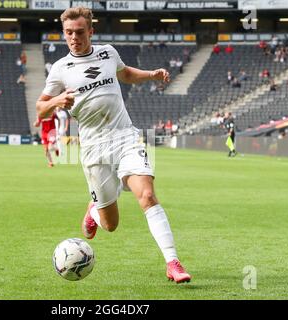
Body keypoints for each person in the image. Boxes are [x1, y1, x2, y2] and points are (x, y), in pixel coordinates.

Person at [35, 7, 191, 283]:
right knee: (110, 225)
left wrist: (152, 75)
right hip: (94, 150)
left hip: (125, 137)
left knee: (147, 196)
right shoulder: (59, 69)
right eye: (69, 33)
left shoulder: (108, 52)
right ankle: (93, 210)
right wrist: (57, 102)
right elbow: (41, 108)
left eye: (80, 32)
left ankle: (172, 262)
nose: (74, 37)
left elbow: (126, 74)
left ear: (91, 32)